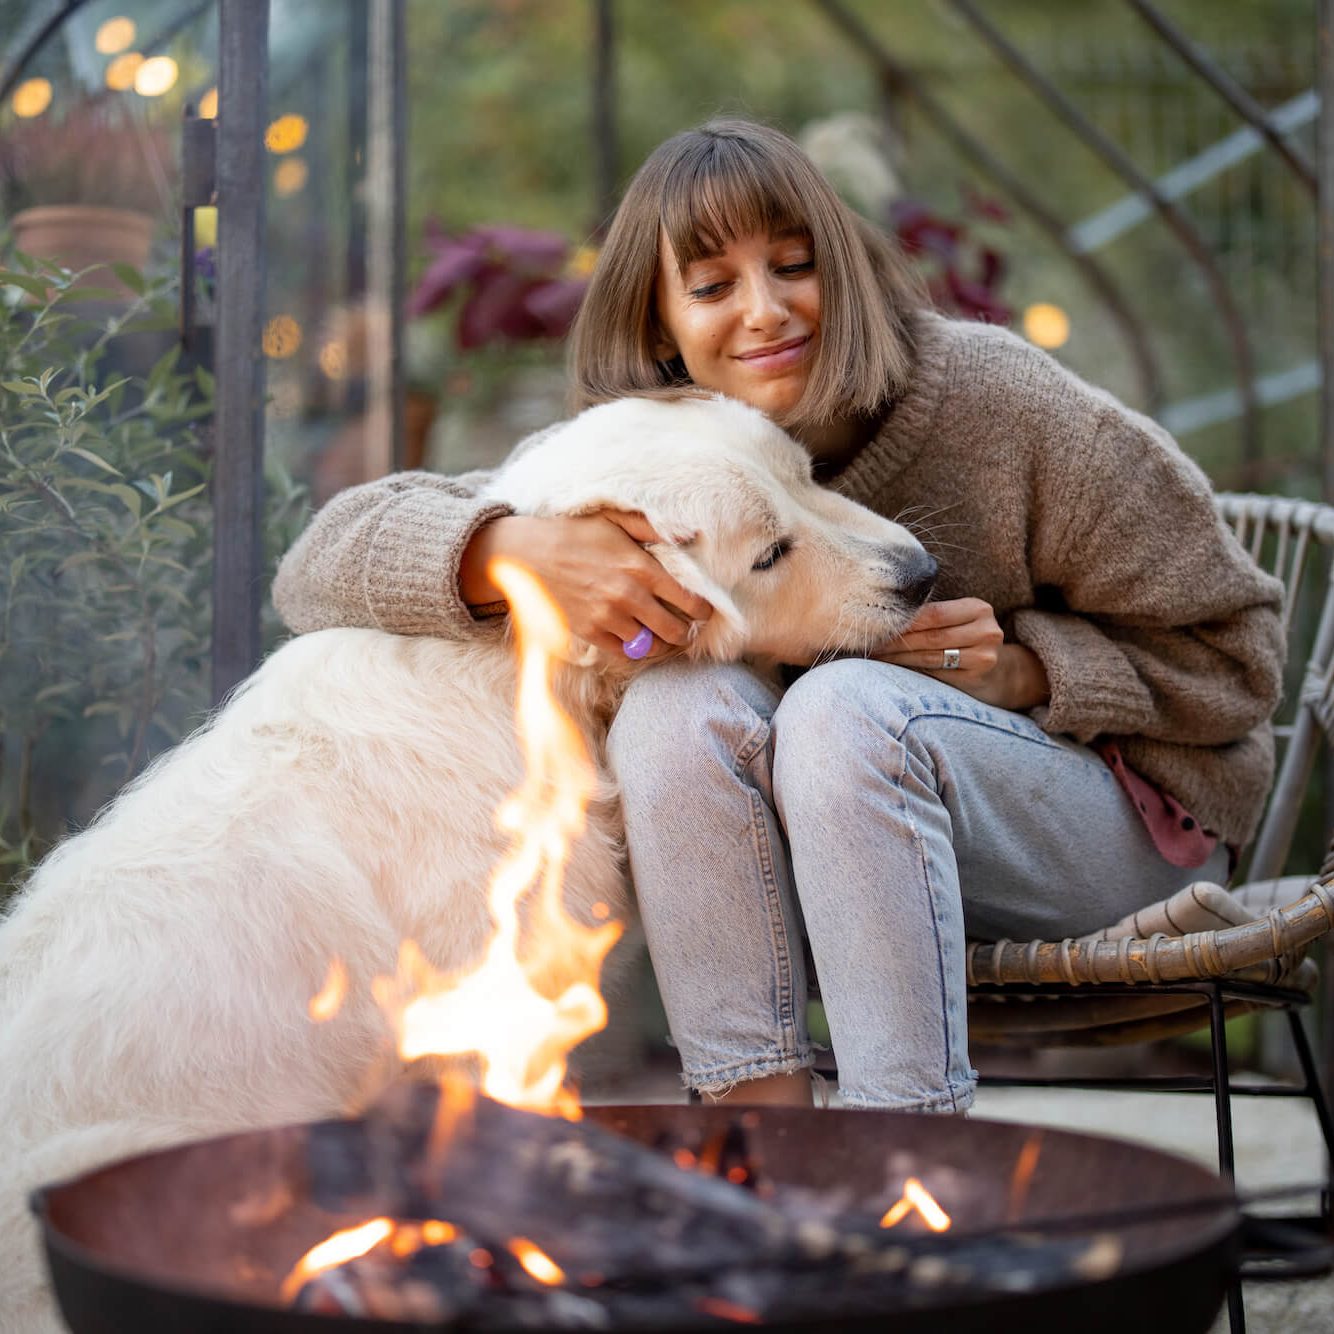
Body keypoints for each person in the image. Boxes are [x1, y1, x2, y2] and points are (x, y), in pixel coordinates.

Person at [273, 118, 1285, 1114]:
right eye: (712, 287)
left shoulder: (1001, 406)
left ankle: (903, 1162)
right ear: (659, 323)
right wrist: (502, 546)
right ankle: (765, 1149)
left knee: (844, 708)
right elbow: (313, 567)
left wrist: (1025, 671)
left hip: (1116, 837)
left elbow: (1240, 658)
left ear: (838, 268)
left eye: (792, 266)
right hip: (835, 862)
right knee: (675, 704)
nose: (763, 312)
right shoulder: (668, 457)